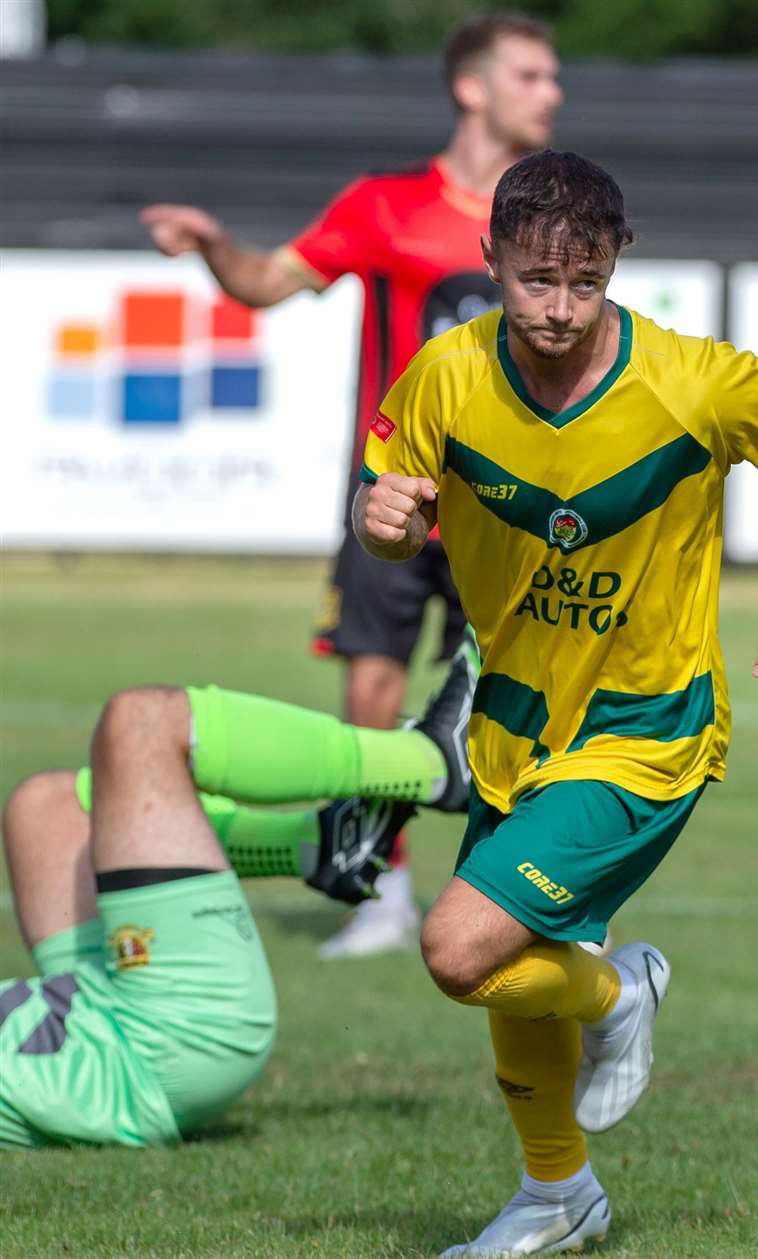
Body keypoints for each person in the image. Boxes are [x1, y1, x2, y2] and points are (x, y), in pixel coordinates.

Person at [355, 150, 758, 1256]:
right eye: (536, 279)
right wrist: (384, 519)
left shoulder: (692, 382)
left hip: (647, 726)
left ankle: (619, 991)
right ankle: (557, 1193)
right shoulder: (443, 376)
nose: (557, 307)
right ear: (489, 257)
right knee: (503, 970)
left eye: (584, 283)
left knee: (460, 946)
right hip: (512, 721)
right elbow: (385, 499)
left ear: (616, 264)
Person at [140, 13, 563, 960]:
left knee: (516, 711)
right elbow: (263, 283)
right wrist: (214, 244)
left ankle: (508, 899)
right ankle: (379, 888)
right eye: (532, 75)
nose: (552, 92)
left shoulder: (553, 214)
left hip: (515, 509)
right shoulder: (384, 204)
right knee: (370, 690)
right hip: (394, 500)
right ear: (472, 87)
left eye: (551, 77)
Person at [0, 639, 477, 1150]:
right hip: (161, 1046)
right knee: (139, 725)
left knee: (44, 807)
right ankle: (430, 762)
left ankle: (320, 846)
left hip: (86, 1009)